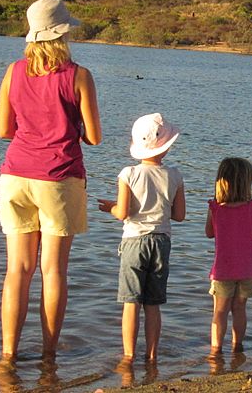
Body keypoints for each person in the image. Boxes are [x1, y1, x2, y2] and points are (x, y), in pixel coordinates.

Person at [0, 0, 102, 360]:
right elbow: (94, 137)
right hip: (59, 176)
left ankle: (8, 355)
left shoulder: (13, 71)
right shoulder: (79, 76)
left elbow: (3, 129)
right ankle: (48, 356)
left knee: (17, 272)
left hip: (14, 176)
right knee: (53, 270)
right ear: (64, 33)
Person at [97, 113, 186, 361]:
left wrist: (111, 208)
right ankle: (152, 355)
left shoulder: (129, 174)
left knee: (130, 302)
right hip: (161, 241)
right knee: (153, 304)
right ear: (165, 148)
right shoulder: (175, 176)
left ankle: (128, 356)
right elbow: (179, 215)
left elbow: (124, 212)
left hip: (134, 241)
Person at [205, 157, 252, 357]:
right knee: (240, 309)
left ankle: (216, 350)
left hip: (223, 269)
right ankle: (237, 347)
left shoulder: (215, 208)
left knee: (220, 311)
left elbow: (209, 233)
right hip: (247, 268)